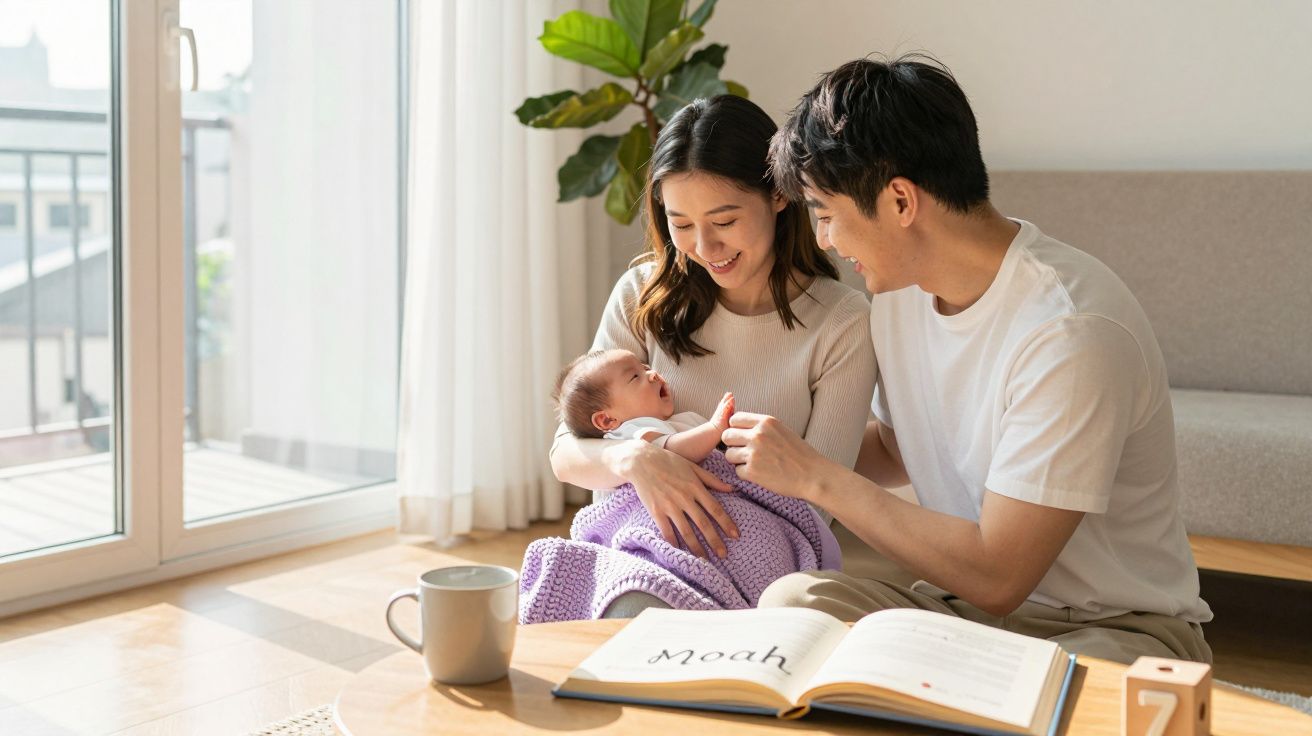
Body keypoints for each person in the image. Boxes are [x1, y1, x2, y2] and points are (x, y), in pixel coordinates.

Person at [722, 54, 1213, 664]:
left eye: (826, 214)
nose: (823, 239)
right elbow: (899, 448)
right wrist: (770, 447)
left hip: (1109, 628)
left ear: (900, 201)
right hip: (964, 612)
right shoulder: (899, 294)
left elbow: (1000, 576)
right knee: (794, 603)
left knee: (1061, 689)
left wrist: (817, 478)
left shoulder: (1070, 332)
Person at [549, 94, 876, 616]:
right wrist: (638, 459)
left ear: (778, 195)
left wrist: (705, 516)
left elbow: (818, 503)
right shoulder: (641, 294)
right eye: (680, 224)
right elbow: (567, 454)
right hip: (633, 557)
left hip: (753, 567)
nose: (704, 247)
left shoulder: (841, 321)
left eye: (724, 221)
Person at [554, 348, 736, 471]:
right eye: (635, 376)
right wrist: (714, 428)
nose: (652, 374)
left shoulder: (682, 420)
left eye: (645, 368)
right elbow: (677, 452)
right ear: (608, 420)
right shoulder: (632, 433)